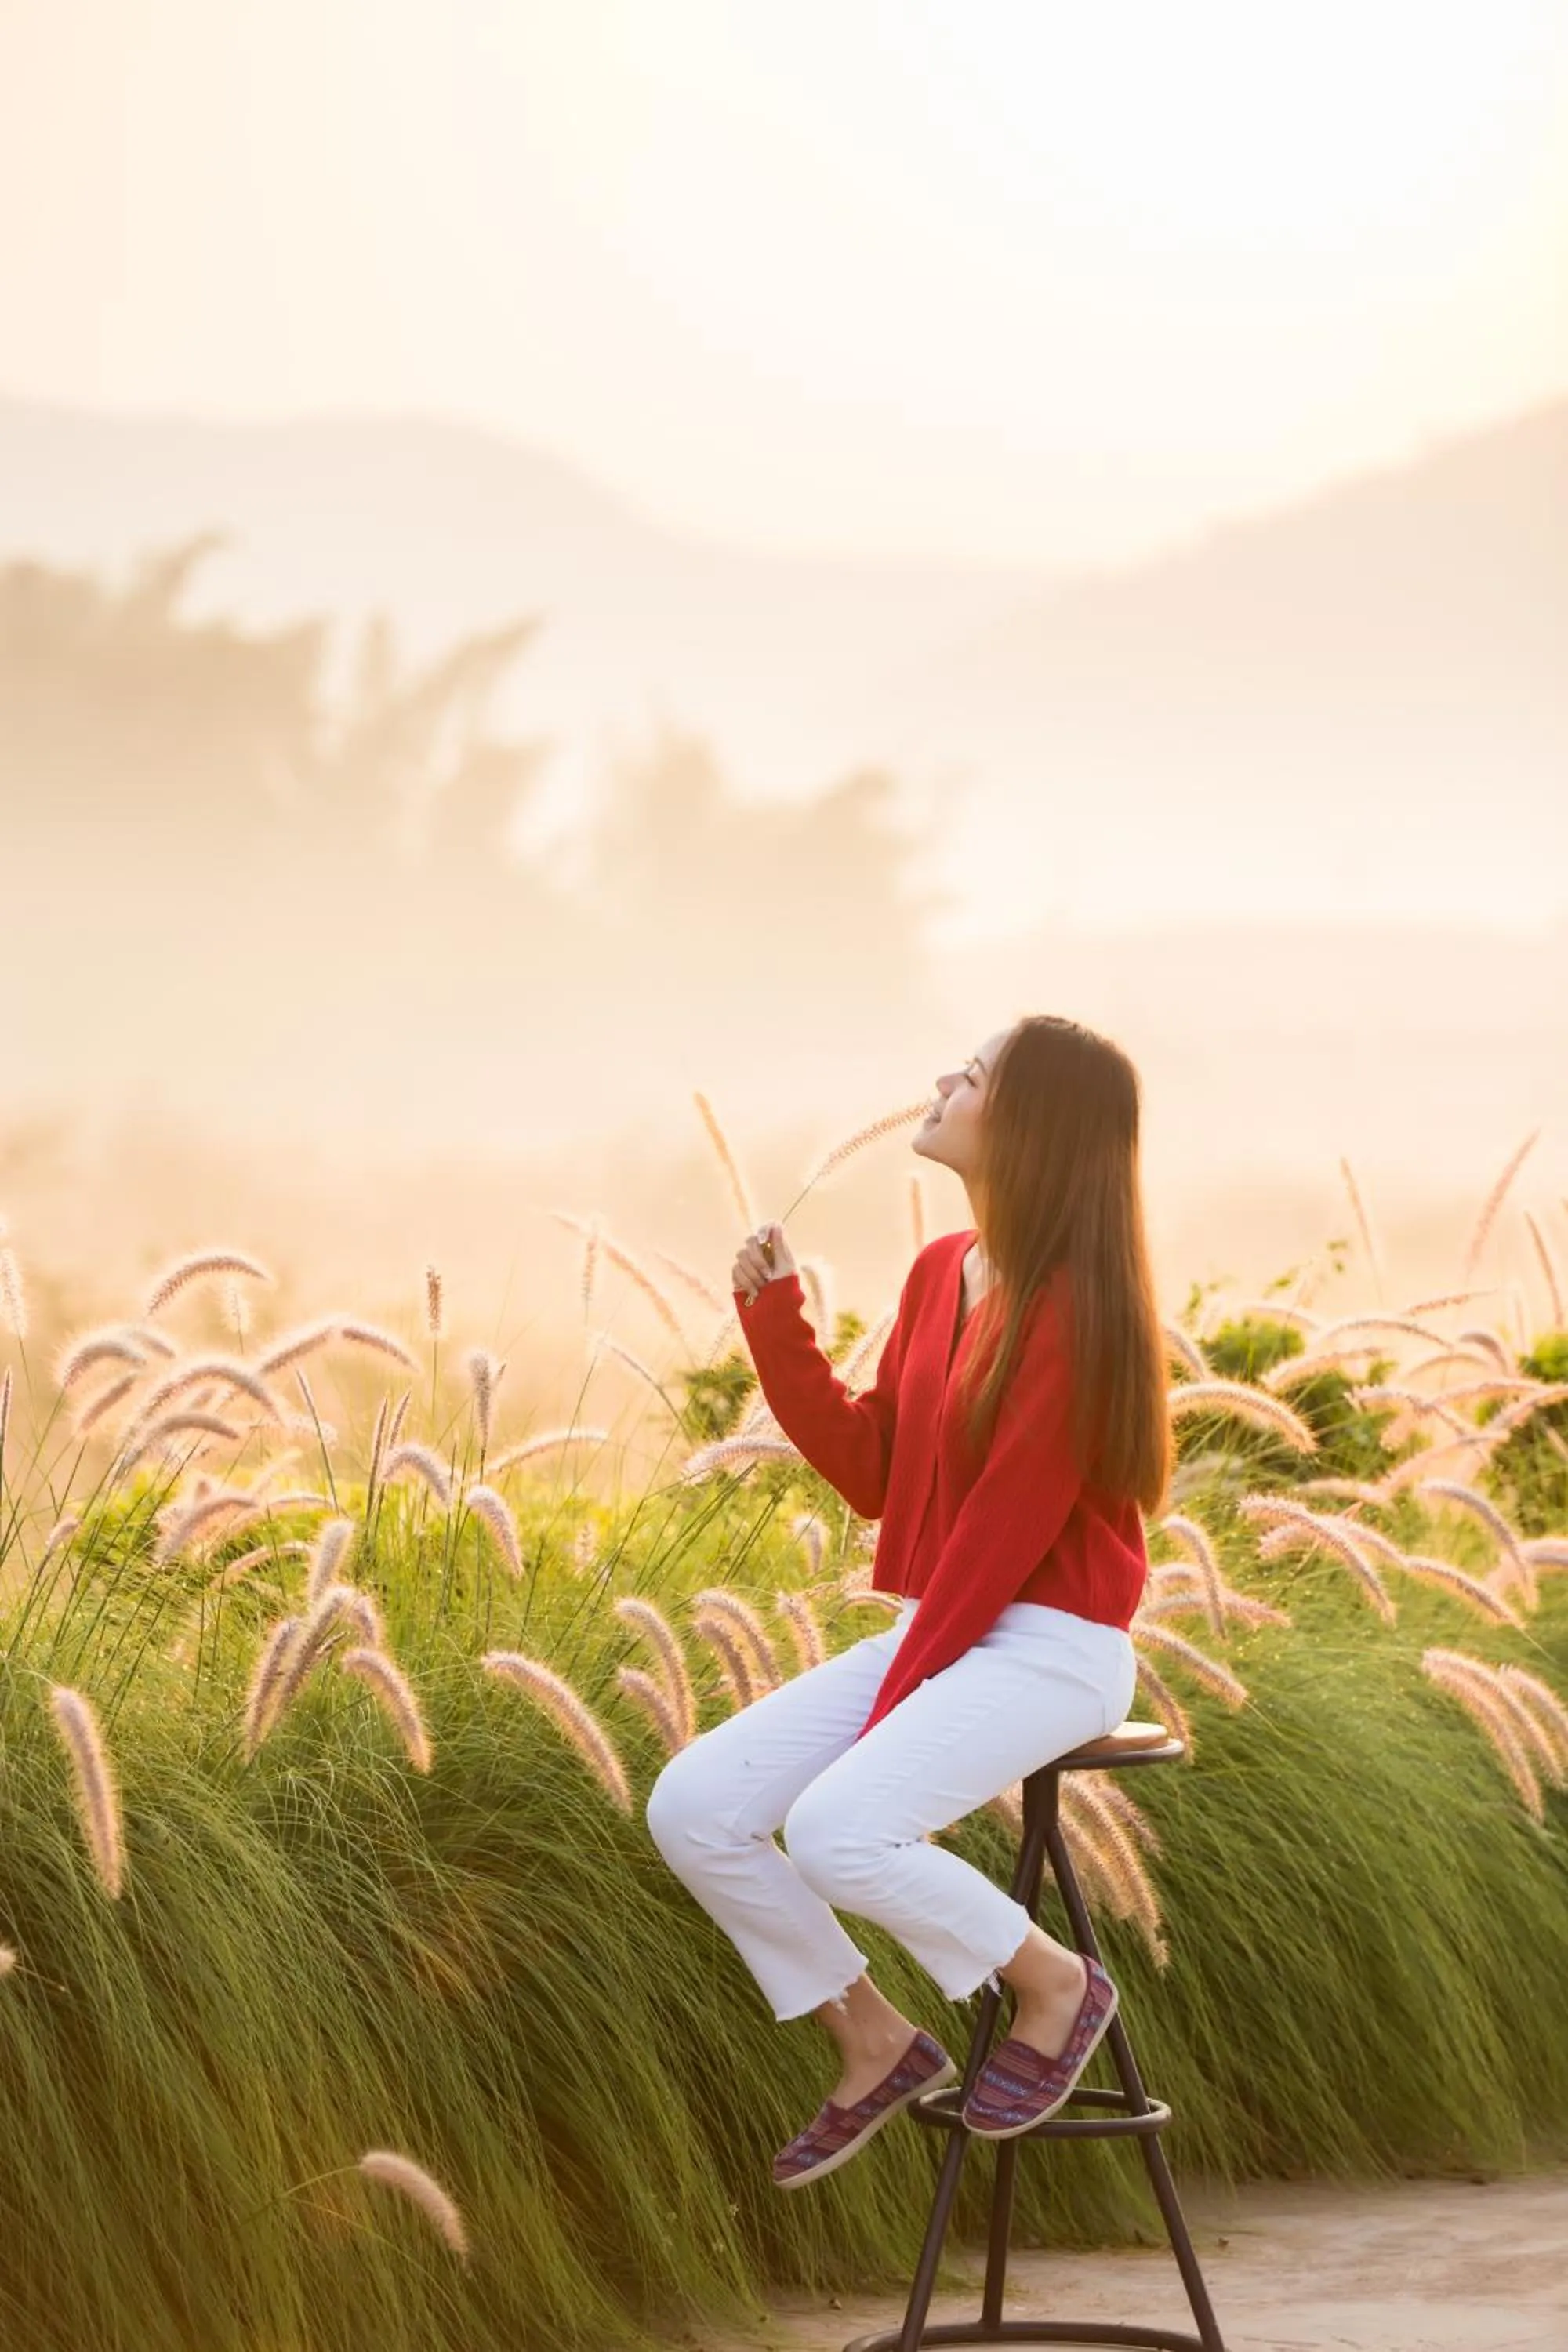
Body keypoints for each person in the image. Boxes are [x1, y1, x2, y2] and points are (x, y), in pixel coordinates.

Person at [644, 1014, 1171, 2189]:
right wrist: (776, 1323)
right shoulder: (943, 1271)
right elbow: (881, 1471)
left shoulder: (1075, 1307)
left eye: (973, 1075)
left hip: (1052, 1647)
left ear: (1029, 1124)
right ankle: (872, 2038)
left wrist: (892, 1702)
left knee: (838, 1828)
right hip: (946, 1630)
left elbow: (1000, 1538)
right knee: (696, 1805)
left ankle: (1054, 1983)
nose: (942, 1081)